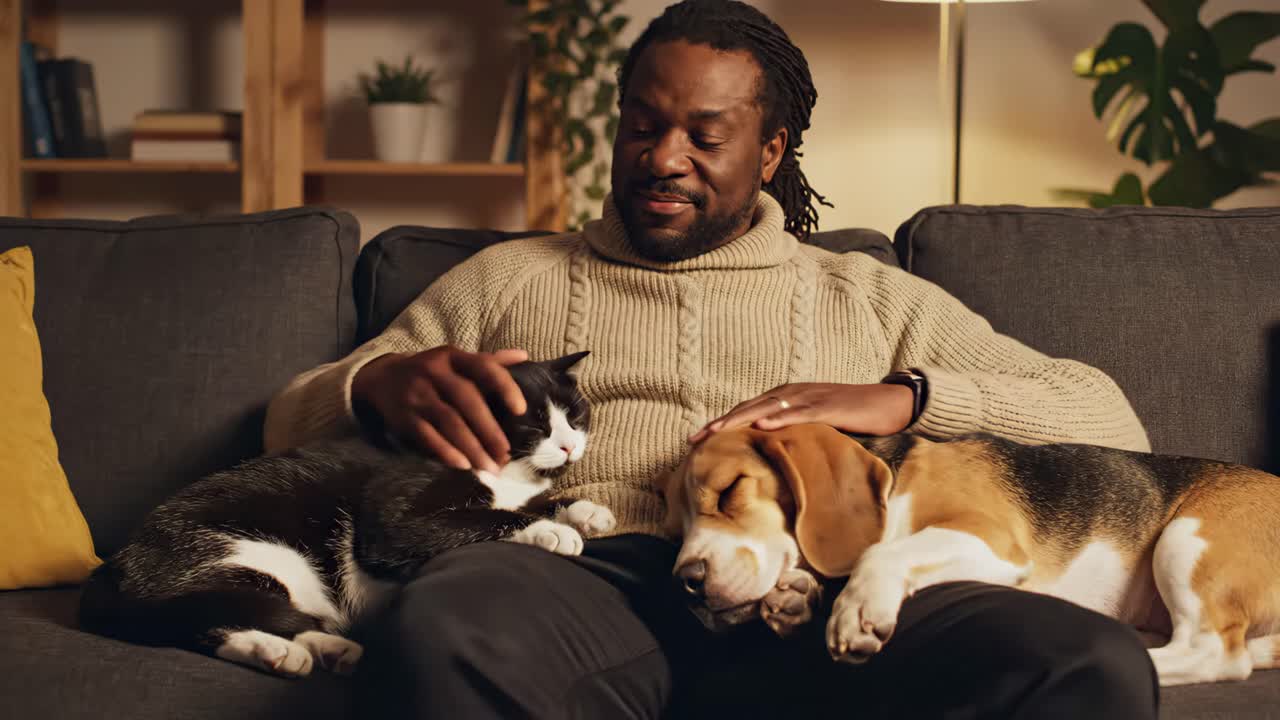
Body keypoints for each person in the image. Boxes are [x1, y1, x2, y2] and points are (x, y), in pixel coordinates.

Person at [264, 1, 1157, 716]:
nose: (663, 159)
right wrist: (375, 384)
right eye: (642, 127)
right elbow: (283, 421)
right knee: (445, 632)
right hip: (584, 579)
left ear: (769, 153)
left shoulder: (869, 295)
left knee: (1083, 664)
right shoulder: (508, 279)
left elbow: (1105, 416)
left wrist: (902, 399)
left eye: (704, 135)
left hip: (833, 580)